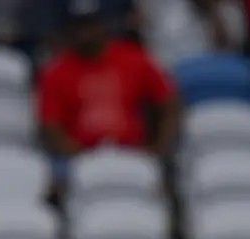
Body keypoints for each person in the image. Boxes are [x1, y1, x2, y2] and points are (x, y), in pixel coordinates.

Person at [37, 0, 180, 164]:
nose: (85, 34)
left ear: (103, 25)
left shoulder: (134, 58)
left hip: (134, 153)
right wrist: (81, 157)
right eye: (78, 27)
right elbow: (50, 126)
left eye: (90, 26)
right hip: (78, 158)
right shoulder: (56, 72)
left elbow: (169, 104)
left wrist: (157, 150)